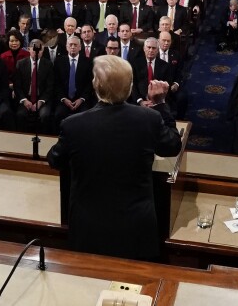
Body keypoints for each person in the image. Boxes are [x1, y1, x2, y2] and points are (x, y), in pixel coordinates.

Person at [46, 55, 182, 260]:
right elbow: (172, 145)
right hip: (135, 225)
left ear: (96, 85)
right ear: (130, 87)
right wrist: (161, 104)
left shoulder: (73, 125)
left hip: (88, 227)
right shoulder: (149, 119)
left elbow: (55, 160)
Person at [13, 39, 55, 132]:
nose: (36, 52)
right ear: (29, 49)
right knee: (20, 115)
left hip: (42, 99)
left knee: (45, 115)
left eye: (39, 50)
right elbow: (17, 86)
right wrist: (24, 100)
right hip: (25, 98)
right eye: (34, 49)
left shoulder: (48, 65)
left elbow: (50, 87)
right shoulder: (21, 64)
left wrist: (40, 101)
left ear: (43, 50)